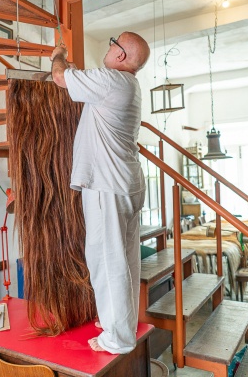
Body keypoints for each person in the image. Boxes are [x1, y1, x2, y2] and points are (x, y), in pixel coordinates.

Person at [50, 32, 150, 354]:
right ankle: (121, 323)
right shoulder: (128, 86)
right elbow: (82, 86)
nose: (108, 47)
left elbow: (59, 77)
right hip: (127, 184)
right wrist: (74, 71)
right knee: (126, 260)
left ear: (121, 56)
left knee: (107, 261)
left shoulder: (111, 81)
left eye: (113, 43)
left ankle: (117, 338)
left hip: (108, 186)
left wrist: (58, 53)